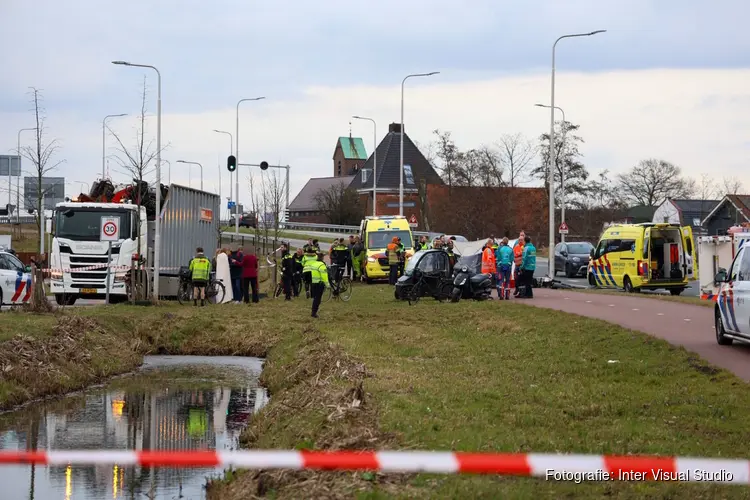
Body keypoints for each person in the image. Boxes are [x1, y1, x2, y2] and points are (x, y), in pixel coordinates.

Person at [306, 252, 329, 318]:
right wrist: (327, 285)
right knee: (317, 299)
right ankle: (314, 313)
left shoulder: (314, 264)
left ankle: (313, 311)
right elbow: (324, 276)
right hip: (320, 284)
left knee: (315, 298)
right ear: (322, 258)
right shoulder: (322, 265)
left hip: (313, 283)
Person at [513, 230, 526, 297]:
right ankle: (517, 289)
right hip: (517, 264)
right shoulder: (516, 245)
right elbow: (513, 253)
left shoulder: (526, 246)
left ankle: (522, 291)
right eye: (520, 238)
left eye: (522, 236)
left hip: (523, 265)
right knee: (516, 277)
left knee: (522, 278)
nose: (521, 240)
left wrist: (519, 254)